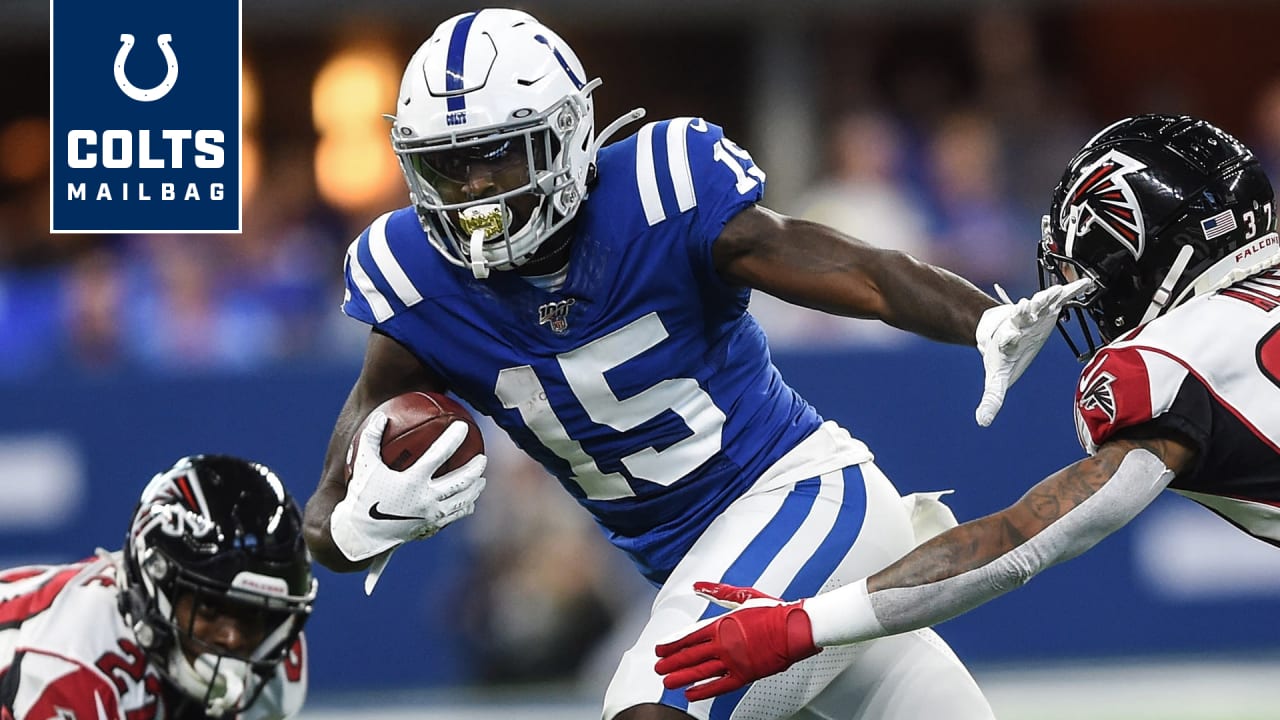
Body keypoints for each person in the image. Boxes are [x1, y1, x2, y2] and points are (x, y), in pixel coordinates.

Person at [301, 8, 1090, 719]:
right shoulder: (411, 278)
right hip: (706, 568)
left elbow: (862, 272)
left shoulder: (658, 190)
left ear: (569, 133)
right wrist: (357, 525)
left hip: (804, 497)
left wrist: (980, 317)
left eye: (499, 158)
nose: (474, 193)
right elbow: (326, 515)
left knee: (655, 703)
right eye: (450, 165)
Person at [653, 113, 1280, 701]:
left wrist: (801, 624)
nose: (1095, 305)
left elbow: (1023, 540)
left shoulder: (1171, 360)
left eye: (1095, 279)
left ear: (1148, 255)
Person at [0, 455, 317, 719]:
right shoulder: (70, 662)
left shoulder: (273, 663)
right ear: (154, 583)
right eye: (209, 607)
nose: (231, 638)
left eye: (251, 615)